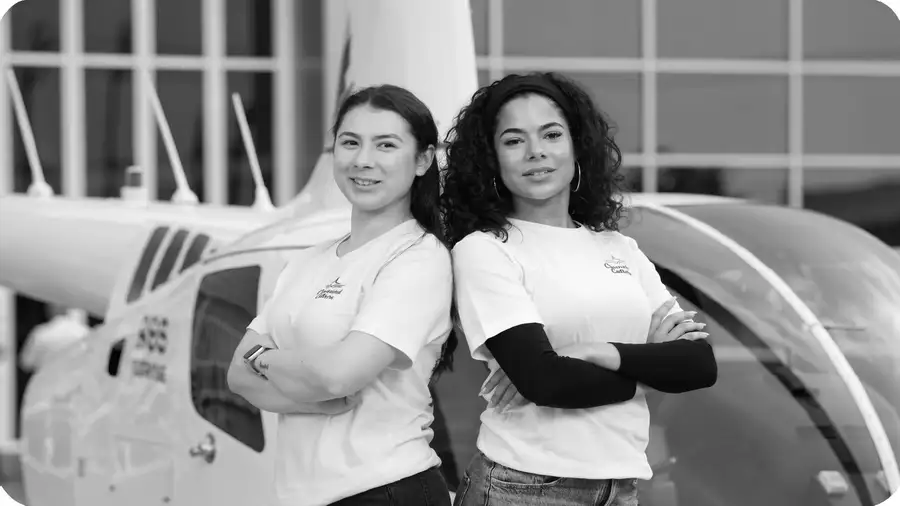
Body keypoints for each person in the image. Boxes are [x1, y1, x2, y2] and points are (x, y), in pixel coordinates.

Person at [440, 72, 718, 506]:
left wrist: (595, 352)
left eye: (551, 134)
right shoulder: (485, 250)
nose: (536, 152)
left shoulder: (618, 248)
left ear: (577, 146)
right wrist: (649, 369)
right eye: (513, 141)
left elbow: (699, 364)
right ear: (491, 160)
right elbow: (546, 383)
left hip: (620, 486)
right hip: (524, 486)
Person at [227, 84, 456, 506]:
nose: (363, 160)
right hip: (306, 495)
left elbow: (340, 376)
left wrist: (265, 359)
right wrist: (314, 403)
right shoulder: (308, 261)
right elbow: (237, 377)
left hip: (385, 488)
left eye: (386, 145)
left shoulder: (418, 258)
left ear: (423, 159)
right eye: (350, 142)